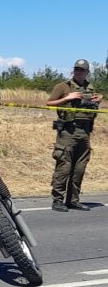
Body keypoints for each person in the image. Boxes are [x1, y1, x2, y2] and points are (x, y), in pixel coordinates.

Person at [46, 59, 103, 212]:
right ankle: (58, 200)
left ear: (87, 72)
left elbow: (93, 106)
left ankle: (73, 200)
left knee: (79, 168)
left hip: (85, 133)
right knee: (64, 167)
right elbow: (49, 103)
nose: (79, 72)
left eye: (82, 70)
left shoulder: (89, 88)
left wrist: (99, 99)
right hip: (68, 132)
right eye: (76, 69)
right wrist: (67, 98)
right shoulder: (63, 86)